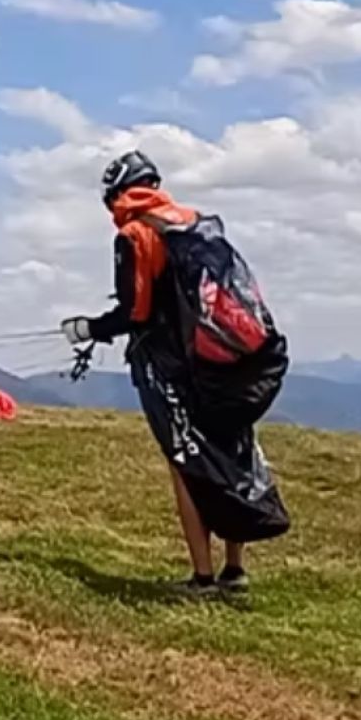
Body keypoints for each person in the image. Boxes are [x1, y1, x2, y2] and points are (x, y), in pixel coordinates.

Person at [62, 150, 293, 594]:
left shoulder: (135, 233)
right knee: (232, 450)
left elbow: (135, 311)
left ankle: (202, 576)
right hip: (223, 362)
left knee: (185, 461)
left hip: (172, 367)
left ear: (115, 194)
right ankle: (234, 569)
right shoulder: (194, 223)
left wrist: (89, 328)